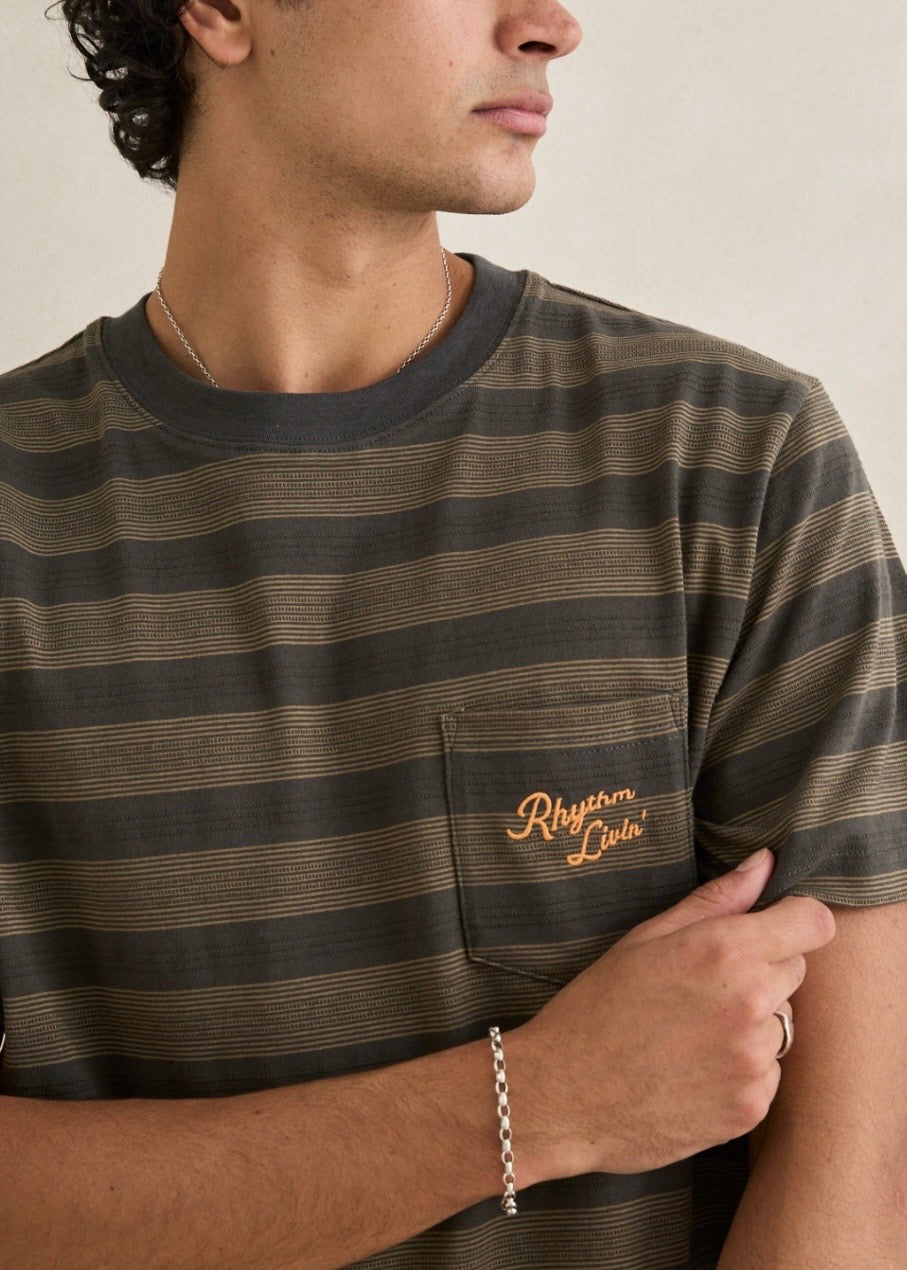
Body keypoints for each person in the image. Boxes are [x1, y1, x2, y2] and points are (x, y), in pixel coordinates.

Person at [1, 1, 904, 1266]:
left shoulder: (733, 465)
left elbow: (851, 1189)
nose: (550, 25)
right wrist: (541, 1102)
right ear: (223, 10)